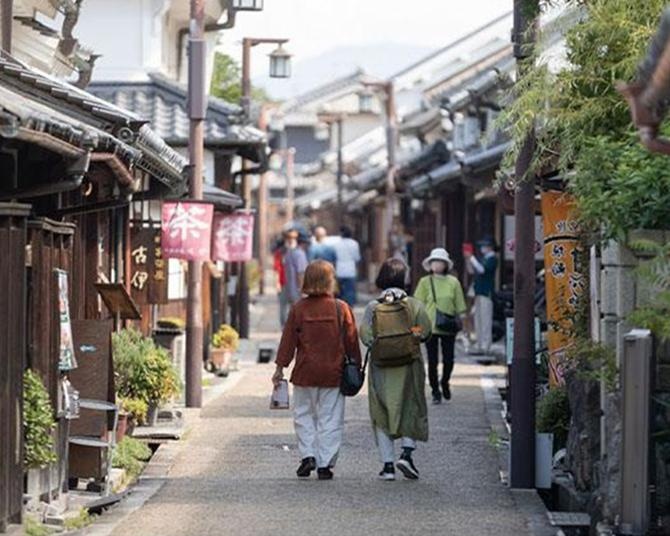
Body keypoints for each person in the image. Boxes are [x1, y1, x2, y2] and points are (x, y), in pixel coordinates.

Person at [273, 260, 362, 480]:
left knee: (303, 415)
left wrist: (279, 368)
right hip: (333, 373)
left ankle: (308, 456)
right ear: (330, 281)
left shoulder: (298, 308)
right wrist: (356, 367)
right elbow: (352, 342)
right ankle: (324, 464)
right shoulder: (341, 308)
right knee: (330, 419)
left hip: (305, 372)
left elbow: (288, 341)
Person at [360, 258, 432, 481]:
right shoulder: (414, 305)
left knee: (382, 412)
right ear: (405, 278)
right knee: (411, 406)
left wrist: (383, 342)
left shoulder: (374, 306)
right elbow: (426, 331)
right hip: (410, 364)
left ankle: (388, 466)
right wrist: (412, 334)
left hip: (382, 366)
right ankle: (407, 454)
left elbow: (366, 336)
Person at [414, 248, 467, 404]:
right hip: (429, 327)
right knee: (432, 361)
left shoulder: (453, 282)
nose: (437, 265)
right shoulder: (424, 282)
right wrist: (416, 330)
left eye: (440, 262)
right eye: (434, 262)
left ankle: (445, 382)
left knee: (449, 359)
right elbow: (417, 306)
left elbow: (460, 307)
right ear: (430, 265)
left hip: (448, 326)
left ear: (446, 264)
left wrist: (464, 327)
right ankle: (435, 390)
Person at [465, 237, 498, 355]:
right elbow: (472, 271)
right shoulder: (484, 258)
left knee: (485, 319)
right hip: (478, 291)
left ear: (490, 247)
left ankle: (485, 346)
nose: (482, 248)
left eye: (484, 246)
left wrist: (472, 257)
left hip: (486, 292)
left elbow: (482, 270)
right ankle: (479, 344)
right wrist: (469, 260)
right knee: (478, 319)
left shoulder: (492, 259)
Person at [331, 226, 361, 306]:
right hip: (350, 269)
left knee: (339, 292)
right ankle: (349, 308)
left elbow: (334, 258)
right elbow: (357, 258)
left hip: (339, 270)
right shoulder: (354, 244)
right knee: (350, 291)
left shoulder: (336, 244)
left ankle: (339, 307)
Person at [283, 229, 309, 307]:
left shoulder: (296, 253)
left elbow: (301, 273)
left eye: (293, 238)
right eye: (288, 238)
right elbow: (300, 273)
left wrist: (302, 290)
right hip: (293, 291)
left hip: (294, 291)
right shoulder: (292, 252)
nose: (290, 240)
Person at [272, 237, 289, 327]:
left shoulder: (280, 253)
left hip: (285, 282)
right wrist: (277, 283)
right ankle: (285, 325)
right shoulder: (280, 254)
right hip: (283, 282)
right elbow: (277, 269)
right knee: (284, 305)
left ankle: (285, 325)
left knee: (283, 305)